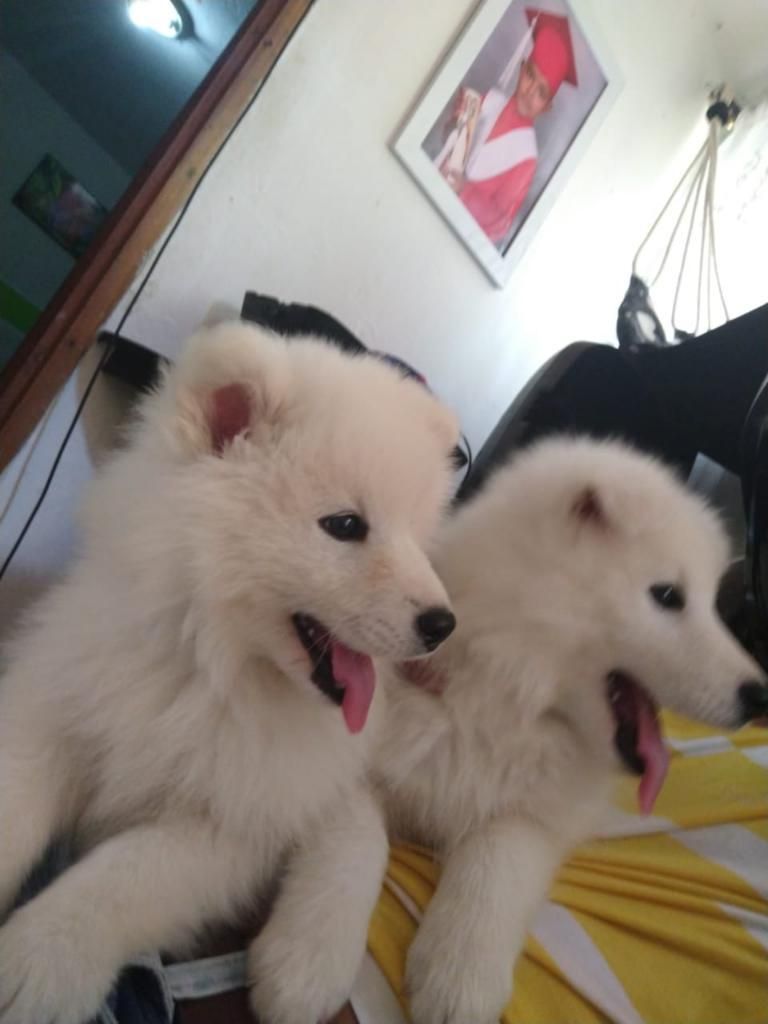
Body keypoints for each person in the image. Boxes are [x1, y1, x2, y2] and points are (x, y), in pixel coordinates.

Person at [439, 9, 577, 247]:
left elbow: (501, 223)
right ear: (522, 69)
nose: (530, 91)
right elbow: (449, 140)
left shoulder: (527, 159)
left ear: (546, 107)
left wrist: (464, 191)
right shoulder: (489, 100)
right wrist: (453, 124)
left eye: (542, 93)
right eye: (531, 76)